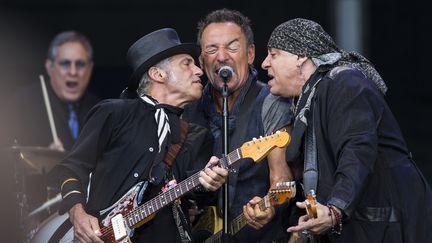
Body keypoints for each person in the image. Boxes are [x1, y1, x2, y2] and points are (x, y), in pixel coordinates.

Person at [259, 18, 432, 242]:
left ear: (301, 56)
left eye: (274, 54)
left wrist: (335, 209)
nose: (264, 63)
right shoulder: (309, 100)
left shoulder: (345, 82)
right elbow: (315, 182)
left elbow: (357, 150)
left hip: (390, 224)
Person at [51, 28, 228, 243]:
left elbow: (197, 197)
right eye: (187, 63)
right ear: (158, 74)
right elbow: (70, 169)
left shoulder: (197, 135)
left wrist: (210, 184)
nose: (199, 71)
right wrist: (77, 214)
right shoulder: (114, 113)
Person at [183, 9, 295, 242]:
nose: (222, 56)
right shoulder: (188, 111)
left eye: (232, 47)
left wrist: (270, 206)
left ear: (251, 53)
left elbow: (281, 177)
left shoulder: (271, 103)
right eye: (212, 49)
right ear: (202, 62)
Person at [2, 30, 100, 151]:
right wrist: (44, 159)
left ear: (90, 69)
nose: (73, 72)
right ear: (49, 67)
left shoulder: (99, 110)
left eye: (80, 64)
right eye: (65, 63)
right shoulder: (23, 103)